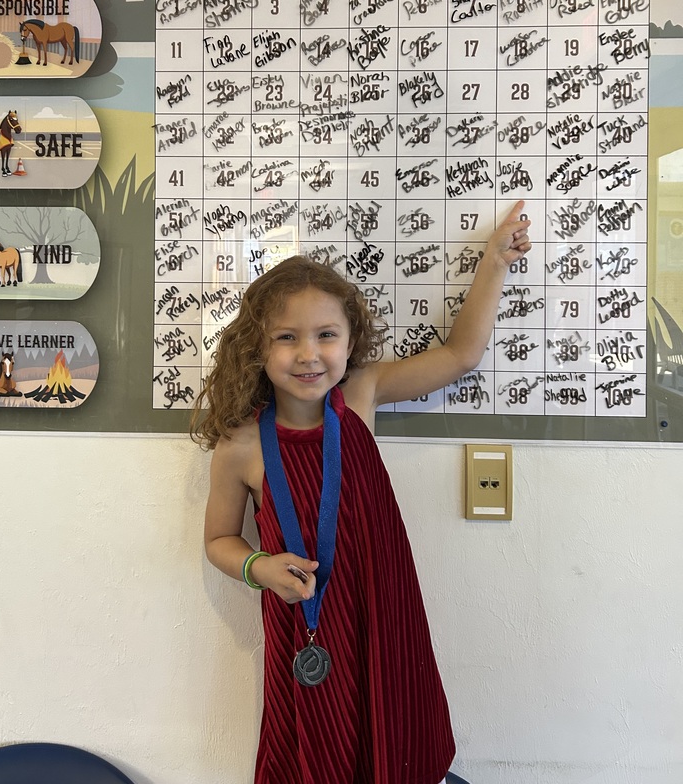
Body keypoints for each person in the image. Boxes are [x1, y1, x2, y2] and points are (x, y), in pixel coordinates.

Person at [193, 200, 531, 784]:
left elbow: (460, 355)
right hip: (305, 627)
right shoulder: (243, 444)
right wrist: (260, 568)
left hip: (383, 615)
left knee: (392, 744)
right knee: (314, 756)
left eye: (326, 334)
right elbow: (219, 540)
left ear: (351, 341)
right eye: (286, 337)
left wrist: (494, 263)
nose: (308, 354)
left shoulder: (363, 394)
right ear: (257, 348)